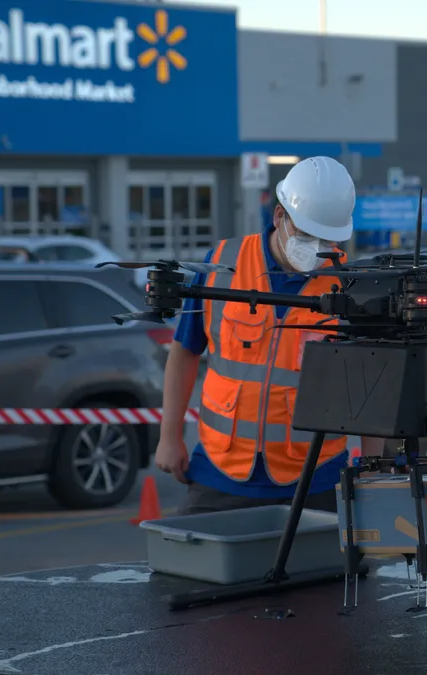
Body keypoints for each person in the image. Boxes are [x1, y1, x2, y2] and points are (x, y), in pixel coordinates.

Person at [155, 156, 379, 515]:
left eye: (327, 239)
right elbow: (184, 352)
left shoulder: (350, 287)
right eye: (307, 234)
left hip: (315, 478)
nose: (317, 247)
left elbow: (372, 385)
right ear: (279, 216)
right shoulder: (223, 264)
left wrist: (372, 469)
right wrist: (169, 438)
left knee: (328, 572)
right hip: (220, 471)